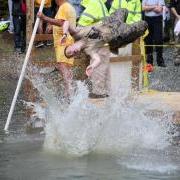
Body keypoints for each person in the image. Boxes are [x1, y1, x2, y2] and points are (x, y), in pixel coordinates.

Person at [37, 0, 76, 98]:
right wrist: (52, 26)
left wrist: (44, 18)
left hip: (64, 42)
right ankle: (70, 92)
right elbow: (61, 22)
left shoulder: (64, 7)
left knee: (63, 67)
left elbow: (60, 22)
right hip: (67, 42)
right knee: (65, 67)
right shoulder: (67, 6)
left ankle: (70, 93)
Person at [142, 0, 166, 67]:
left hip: (157, 19)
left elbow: (159, 10)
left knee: (158, 39)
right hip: (147, 19)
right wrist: (155, 6)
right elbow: (143, 8)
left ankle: (160, 60)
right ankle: (149, 61)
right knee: (148, 40)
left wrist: (148, 7)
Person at [170, 0, 180, 66]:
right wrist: (177, 16)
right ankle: (177, 58)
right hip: (178, 18)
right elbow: (172, 6)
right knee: (177, 38)